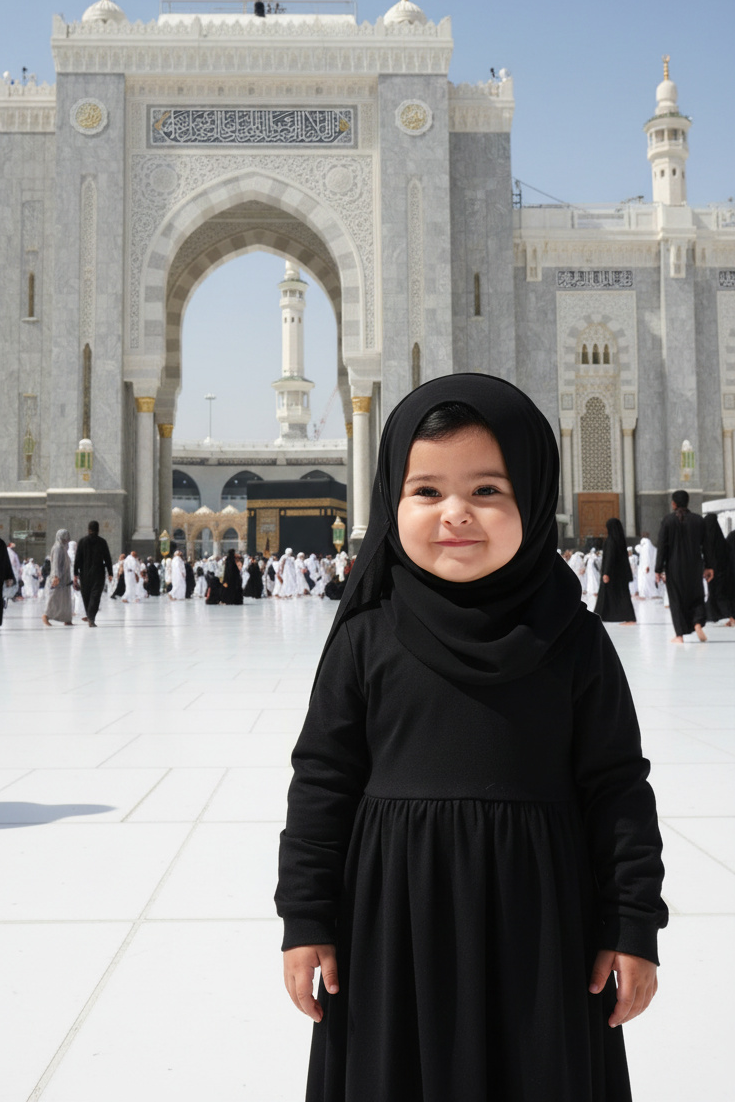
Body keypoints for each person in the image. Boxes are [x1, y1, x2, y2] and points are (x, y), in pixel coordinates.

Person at [275, 374, 666, 1101]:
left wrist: (634, 922)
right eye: (426, 492)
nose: (456, 513)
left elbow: (617, 787)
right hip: (395, 928)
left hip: (542, 927)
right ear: (391, 502)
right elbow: (323, 782)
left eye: (488, 490)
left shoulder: (570, 640)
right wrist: (306, 917)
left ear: (533, 496)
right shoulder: (368, 638)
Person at [655, 490, 714, 643]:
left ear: (673, 503)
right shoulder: (698, 520)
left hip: (674, 568)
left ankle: (679, 635)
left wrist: (658, 569)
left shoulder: (668, 521)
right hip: (695, 566)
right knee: (696, 596)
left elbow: (662, 547)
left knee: (677, 600)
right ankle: (697, 622)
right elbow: (706, 546)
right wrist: (709, 566)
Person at [595, 517, 636, 625]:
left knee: (620, 596)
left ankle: (630, 618)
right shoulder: (619, 541)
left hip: (612, 574)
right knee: (617, 596)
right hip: (619, 575)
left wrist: (606, 573)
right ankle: (602, 615)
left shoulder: (611, 541)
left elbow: (609, 557)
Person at [73, 521, 114, 627]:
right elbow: (107, 558)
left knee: (86, 595)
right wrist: (110, 572)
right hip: (98, 572)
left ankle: (89, 615)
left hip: (84, 573)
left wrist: (75, 573)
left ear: (88, 529)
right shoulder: (102, 542)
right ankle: (91, 617)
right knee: (95, 596)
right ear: (98, 529)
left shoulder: (82, 542)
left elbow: (78, 558)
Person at [702, 513, 734, 625]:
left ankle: (731, 617)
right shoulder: (721, 541)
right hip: (720, 573)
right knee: (716, 595)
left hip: (717, 573)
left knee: (719, 595)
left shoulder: (710, 542)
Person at [42, 528, 73, 627]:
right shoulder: (58, 548)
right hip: (59, 578)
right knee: (55, 598)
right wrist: (56, 576)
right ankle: (46, 616)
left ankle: (67, 619)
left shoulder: (63, 548)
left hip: (65, 579)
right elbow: (55, 563)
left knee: (65, 599)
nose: (67, 539)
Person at [635, 534, 658, 600]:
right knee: (649, 581)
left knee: (644, 581)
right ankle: (650, 594)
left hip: (645, 567)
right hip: (650, 568)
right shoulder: (650, 546)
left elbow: (646, 557)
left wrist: (647, 566)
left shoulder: (645, 546)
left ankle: (644, 594)